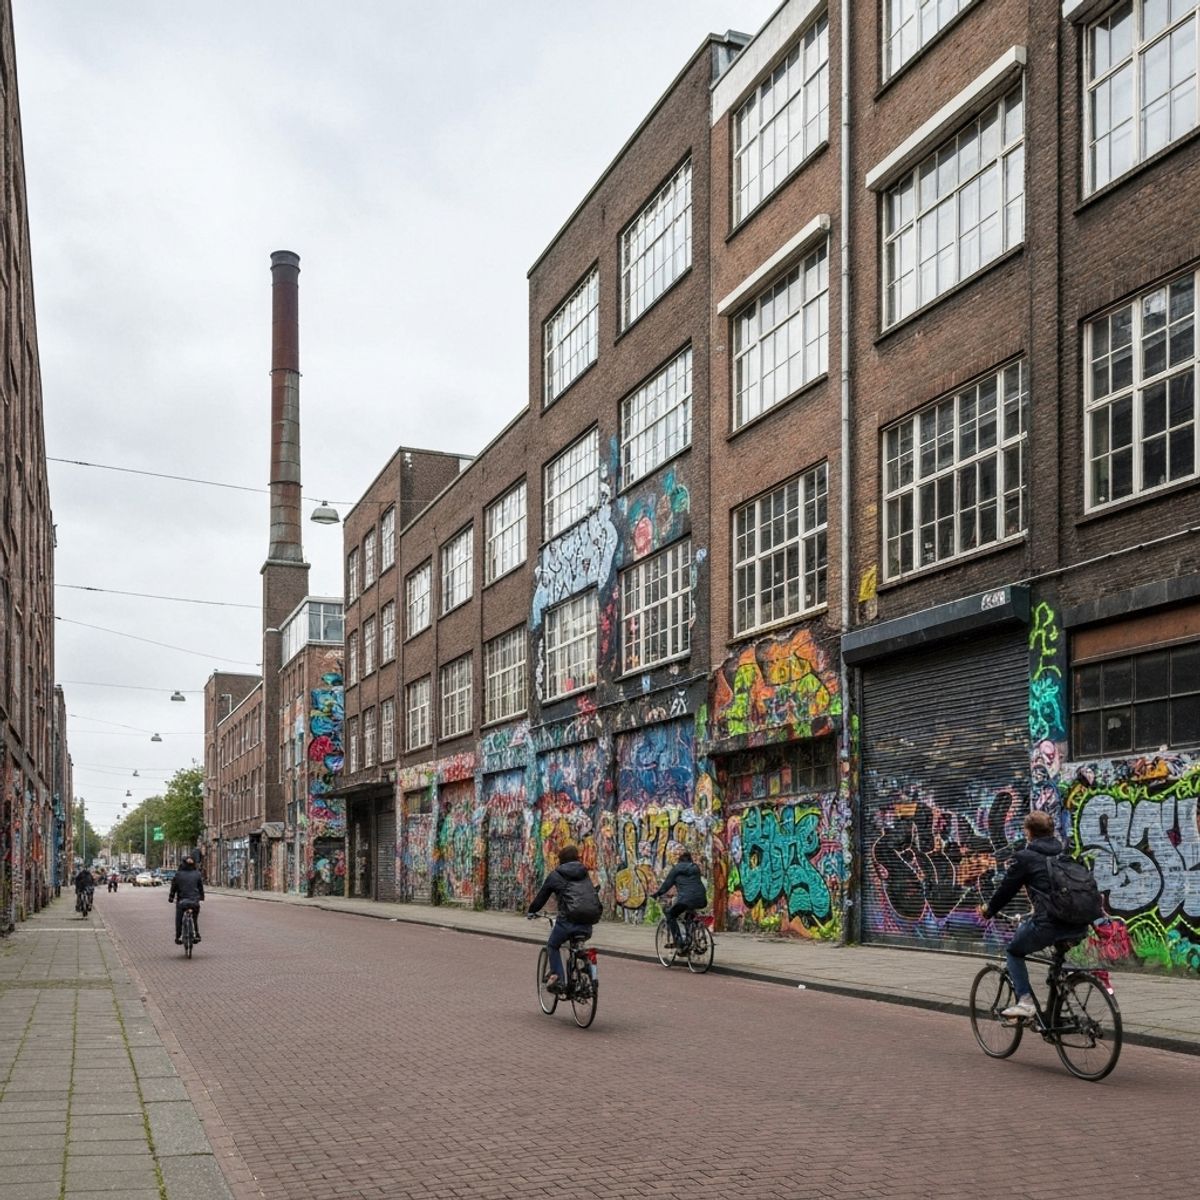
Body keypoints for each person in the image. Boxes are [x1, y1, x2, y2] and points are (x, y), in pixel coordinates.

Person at [978, 809, 1090, 1020]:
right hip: (1079, 923)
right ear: (1051, 831)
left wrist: (989, 910)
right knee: (1056, 962)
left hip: (1048, 924)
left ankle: (1025, 1002)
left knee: (1014, 952)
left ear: (1029, 832)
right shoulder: (1066, 854)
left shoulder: (1026, 858)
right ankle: (1054, 1013)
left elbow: (1006, 890)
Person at [526, 845, 602, 992]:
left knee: (553, 945)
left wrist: (532, 911)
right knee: (577, 946)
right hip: (588, 923)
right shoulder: (584, 874)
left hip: (567, 922)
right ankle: (586, 976)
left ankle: (559, 977)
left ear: (561, 860)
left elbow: (542, 897)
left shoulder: (556, 875)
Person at [652, 851, 708, 952]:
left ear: (679, 861)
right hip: (701, 899)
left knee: (670, 914)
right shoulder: (695, 868)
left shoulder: (676, 869)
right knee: (688, 916)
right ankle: (691, 939)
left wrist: (657, 894)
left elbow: (666, 885)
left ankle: (679, 943)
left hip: (685, 900)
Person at [168, 856, 205, 944]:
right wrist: (201, 897)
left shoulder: (178, 874)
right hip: (194, 901)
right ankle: (196, 934)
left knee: (179, 918)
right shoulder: (197, 874)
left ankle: (179, 936)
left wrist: (171, 897)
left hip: (182, 901)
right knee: (194, 918)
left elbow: (173, 887)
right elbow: (200, 887)